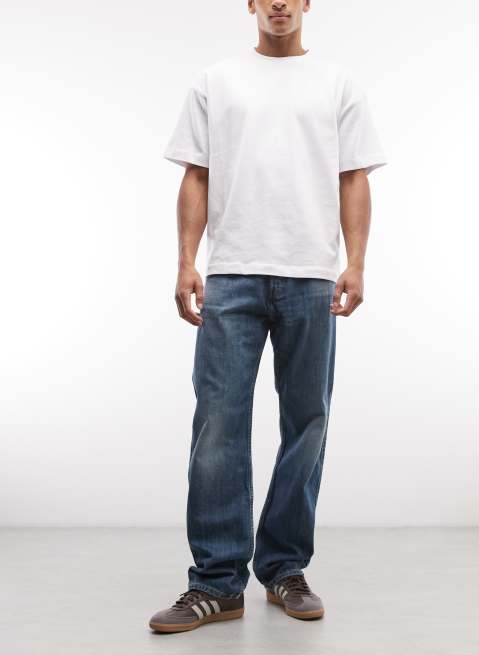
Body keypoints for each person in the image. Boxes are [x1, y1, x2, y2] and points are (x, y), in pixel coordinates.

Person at [149, 0, 387, 633]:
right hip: (232, 275)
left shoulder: (337, 83)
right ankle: (217, 582)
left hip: (311, 276)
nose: (279, 2)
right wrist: (186, 262)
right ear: (251, 4)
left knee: (307, 422)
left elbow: (354, 178)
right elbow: (196, 175)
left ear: (307, 3)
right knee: (218, 425)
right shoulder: (216, 81)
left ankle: (284, 568)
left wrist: (356, 263)